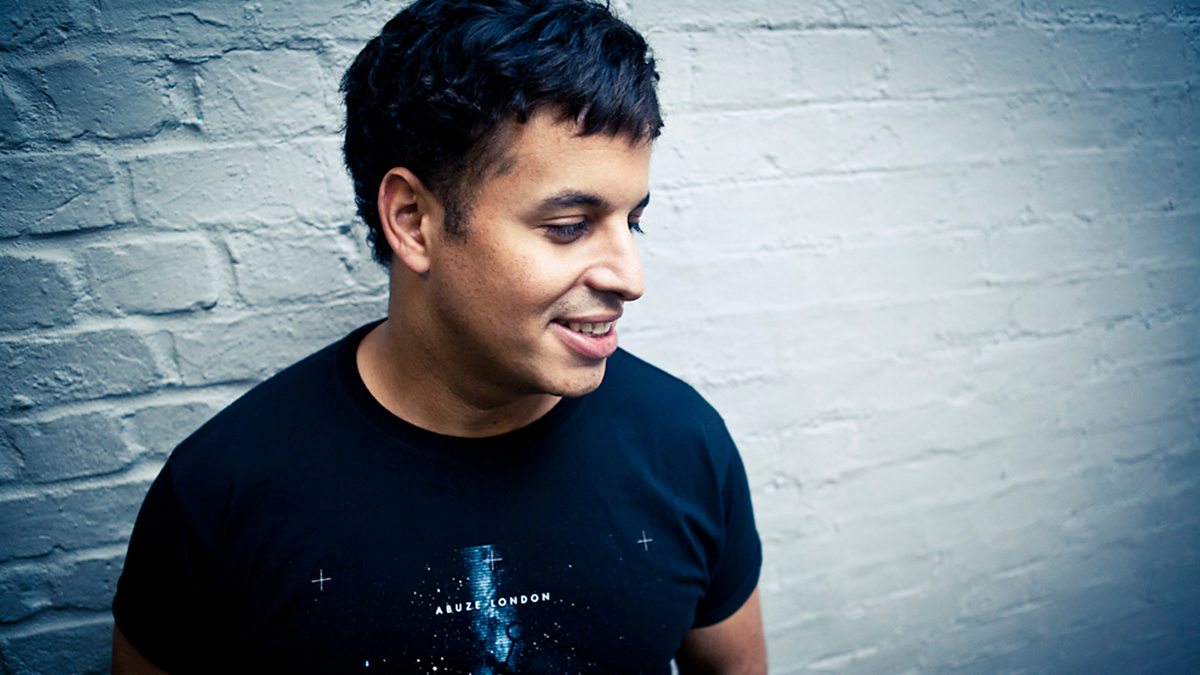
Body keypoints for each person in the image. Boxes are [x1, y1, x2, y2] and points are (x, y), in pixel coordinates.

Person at [111, 0, 765, 672]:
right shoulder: (221, 494)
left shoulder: (683, 443)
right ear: (413, 221)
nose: (630, 278)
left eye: (633, 221)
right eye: (569, 226)